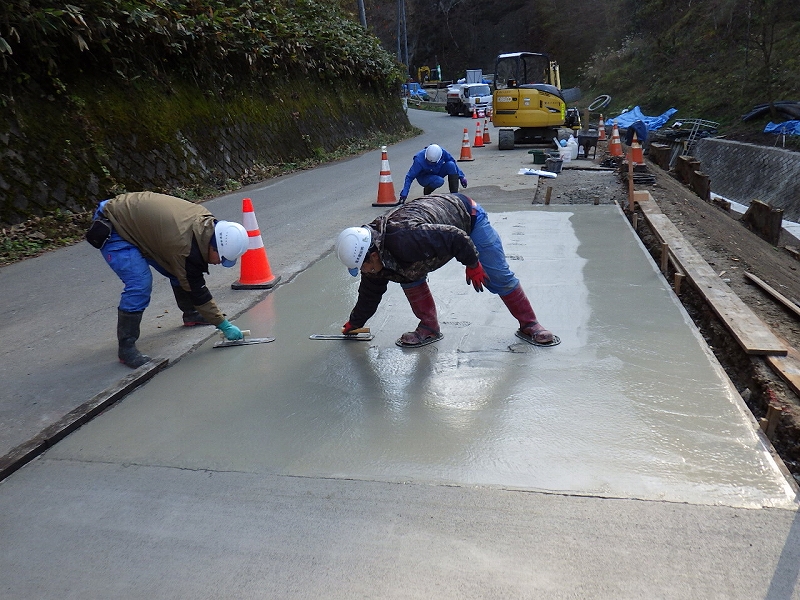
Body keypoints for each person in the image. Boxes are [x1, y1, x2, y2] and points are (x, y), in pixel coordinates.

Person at [335, 193, 556, 348]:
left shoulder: (406, 238)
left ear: (373, 254)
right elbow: (369, 295)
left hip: (467, 217)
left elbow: (455, 237)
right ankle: (429, 327)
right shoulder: (370, 258)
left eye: (363, 266)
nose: (364, 271)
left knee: (497, 276)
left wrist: (472, 264)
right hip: (433, 222)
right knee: (405, 273)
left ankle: (530, 324)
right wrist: (356, 322)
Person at [87, 191, 250, 368]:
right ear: (214, 246)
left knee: (177, 270)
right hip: (115, 224)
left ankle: (191, 314)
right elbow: (198, 291)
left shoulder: (206, 225)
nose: (219, 263)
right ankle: (126, 347)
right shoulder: (184, 248)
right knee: (140, 284)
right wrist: (223, 325)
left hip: (142, 226)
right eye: (222, 258)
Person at [398, 144, 468, 204]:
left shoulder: (443, 153)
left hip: (437, 172)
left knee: (451, 165)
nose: (430, 164)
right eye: (428, 162)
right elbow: (410, 176)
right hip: (424, 177)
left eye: (432, 163)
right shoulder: (419, 159)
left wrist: (461, 176)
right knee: (439, 181)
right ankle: (427, 191)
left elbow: (452, 162)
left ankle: (454, 196)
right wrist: (404, 193)